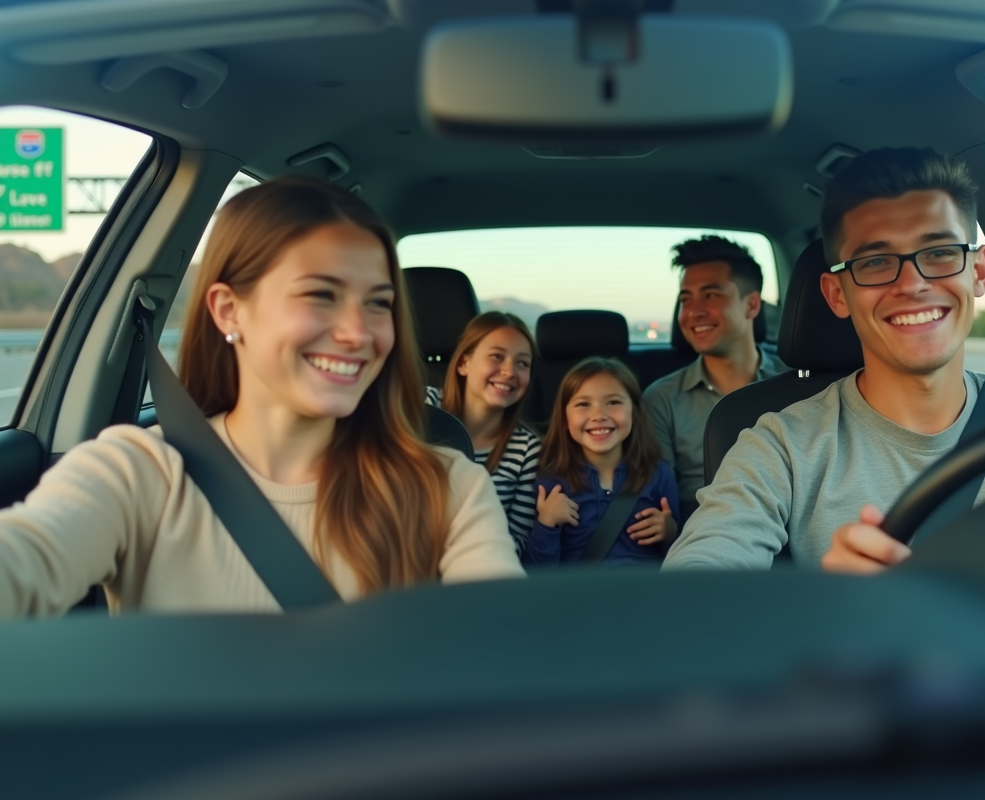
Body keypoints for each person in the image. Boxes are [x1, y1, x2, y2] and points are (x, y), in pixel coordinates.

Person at [0, 176, 524, 617]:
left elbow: (502, 638)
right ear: (229, 311)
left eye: (378, 303)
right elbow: (26, 558)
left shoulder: (447, 488)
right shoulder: (139, 473)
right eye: (321, 295)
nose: (358, 333)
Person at [664, 147, 985, 574]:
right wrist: (823, 606)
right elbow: (695, 589)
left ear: (979, 272)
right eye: (875, 262)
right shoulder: (780, 447)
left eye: (941, 252)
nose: (912, 284)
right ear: (837, 294)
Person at [642, 235, 786, 522]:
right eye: (685, 299)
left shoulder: (799, 383)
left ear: (752, 305)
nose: (694, 312)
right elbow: (659, 500)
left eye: (711, 295)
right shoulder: (662, 399)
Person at [524, 357, 679, 567]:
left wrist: (670, 532)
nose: (598, 415)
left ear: (634, 412)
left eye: (613, 402)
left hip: (644, 585)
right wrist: (546, 524)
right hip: (581, 586)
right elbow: (539, 574)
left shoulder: (658, 474)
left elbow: (681, 561)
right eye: (583, 404)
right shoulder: (552, 484)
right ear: (565, 419)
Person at [426, 311, 541, 554]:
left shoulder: (526, 449)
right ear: (464, 363)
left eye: (522, 363)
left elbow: (518, 541)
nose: (509, 371)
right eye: (497, 356)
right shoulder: (424, 405)